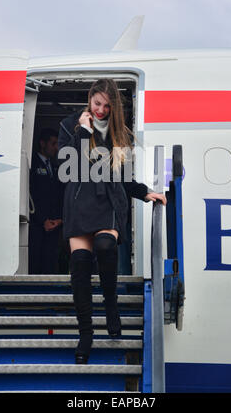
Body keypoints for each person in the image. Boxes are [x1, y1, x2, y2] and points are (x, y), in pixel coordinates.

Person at [58, 79, 167, 364]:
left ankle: (111, 306)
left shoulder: (120, 133)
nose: (102, 110)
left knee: (106, 246)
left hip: (108, 202)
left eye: (107, 105)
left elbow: (125, 178)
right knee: (80, 264)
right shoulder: (70, 124)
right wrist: (83, 132)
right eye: (97, 104)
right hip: (79, 201)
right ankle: (86, 334)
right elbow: (70, 169)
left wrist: (145, 193)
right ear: (89, 99)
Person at [29, 128, 64, 274]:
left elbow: (59, 195)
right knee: (36, 262)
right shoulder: (31, 164)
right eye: (53, 144)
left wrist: (60, 219)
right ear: (42, 144)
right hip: (37, 225)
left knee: (51, 262)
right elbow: (31, 196)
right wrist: (42, 220)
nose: (56, 148)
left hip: (54, 224)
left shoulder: (55, 167)